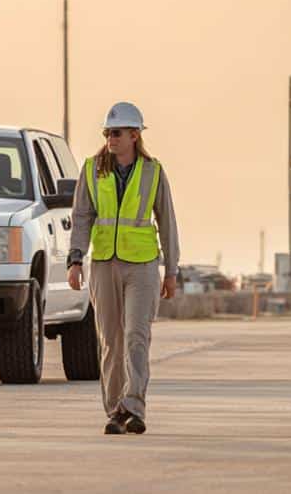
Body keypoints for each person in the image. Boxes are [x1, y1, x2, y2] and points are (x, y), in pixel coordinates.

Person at [67, 101, 181, 435]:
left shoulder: (153, 171)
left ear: (134, 135)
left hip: (143, 266)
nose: (110, 138)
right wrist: (75, 260)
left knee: (136, 336)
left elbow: (168, 222)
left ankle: (134, 406)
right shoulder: (91, 169)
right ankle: (115, 410)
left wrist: (171, 270)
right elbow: (81, 218)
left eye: (116, 133)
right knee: (111, 341)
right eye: (106, 133)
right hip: (104, 265)